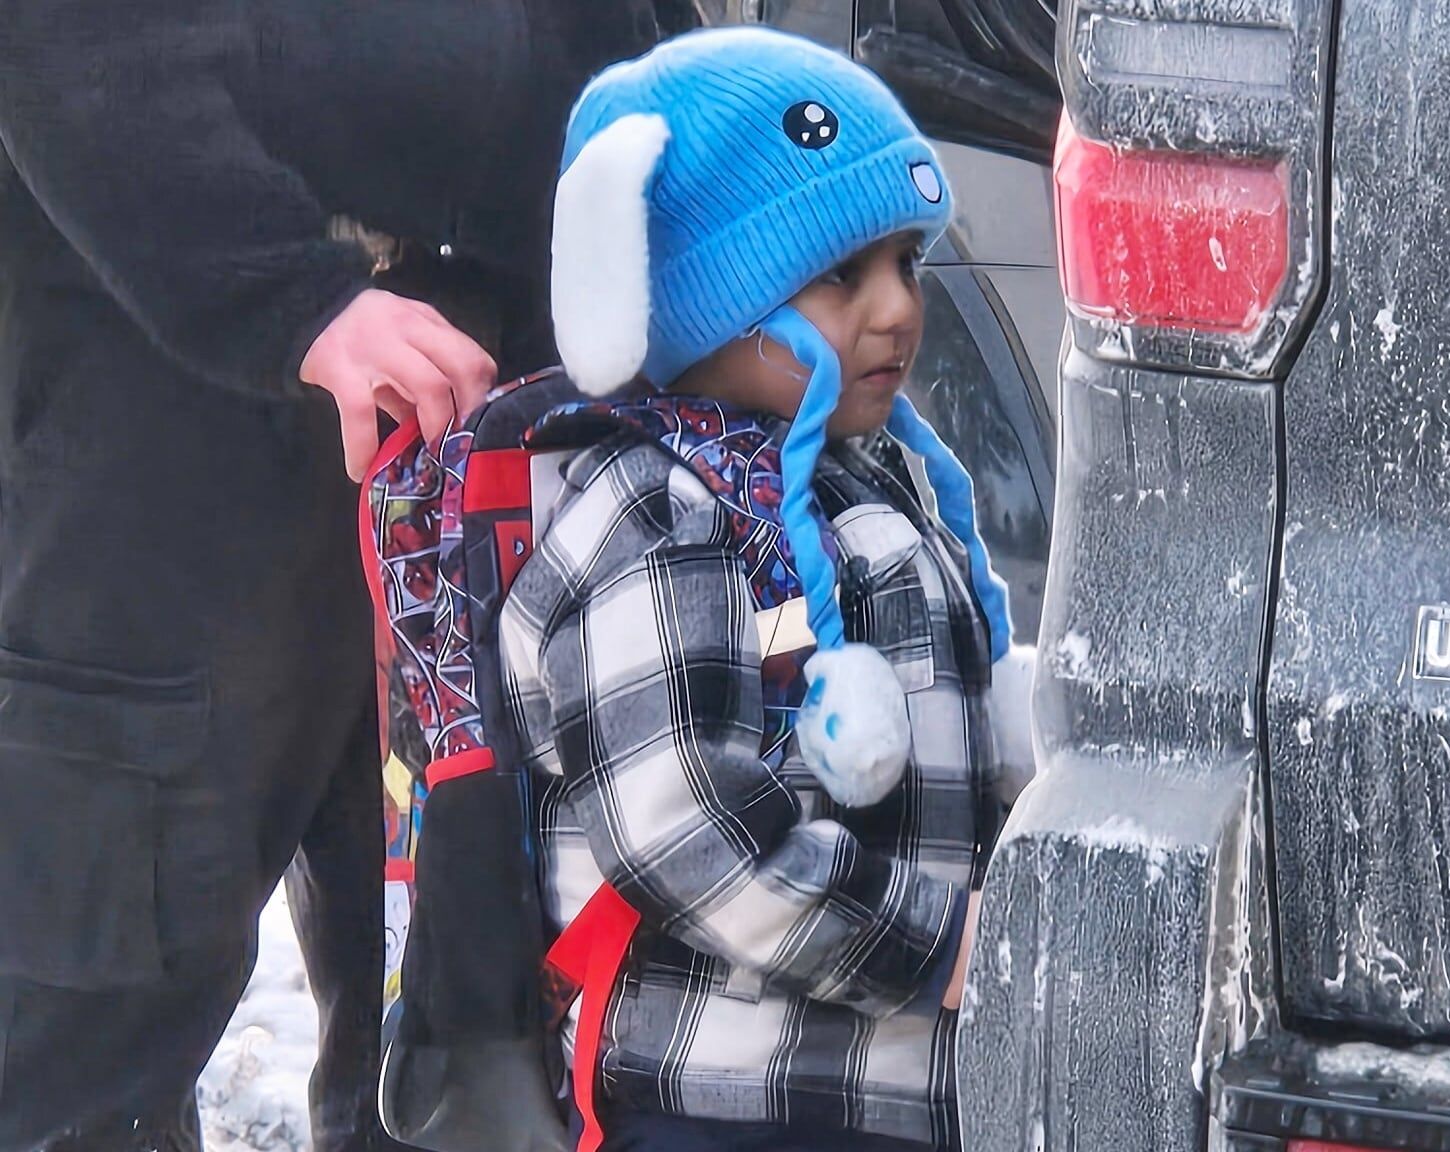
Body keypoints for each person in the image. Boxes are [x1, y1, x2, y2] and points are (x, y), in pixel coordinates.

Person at [0, 3, 658, 1149]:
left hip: (490, 411)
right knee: (95, 1031)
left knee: (454, 1028)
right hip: (167, 423)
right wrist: (286, 294)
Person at [498, 27, 1037, 1152]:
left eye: (907, 263)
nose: (897, 308)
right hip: (720, 1102)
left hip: (883, 1092)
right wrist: (936, 947)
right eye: (842, 273)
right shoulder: (659, 509)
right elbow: (680, 826)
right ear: (715, 296)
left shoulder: (875, 479)